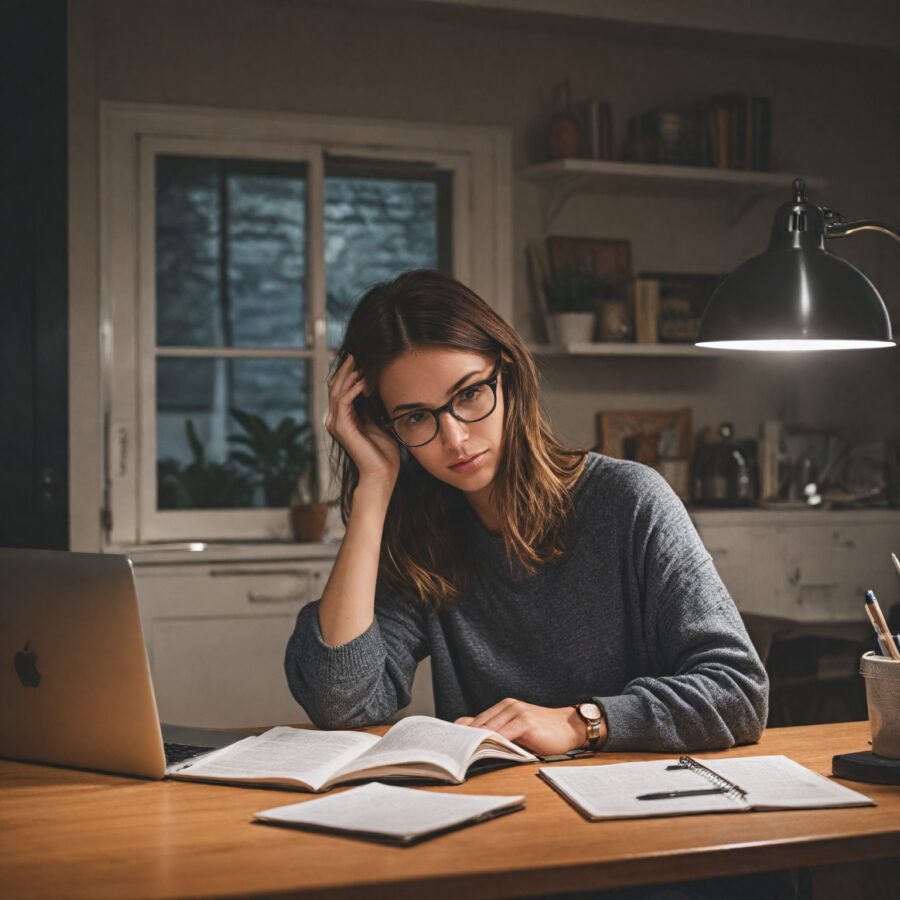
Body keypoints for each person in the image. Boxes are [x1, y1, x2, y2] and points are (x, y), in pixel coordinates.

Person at [284, 269, 768, 759]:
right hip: (496, 813)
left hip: (640, 804)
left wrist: (583, 722)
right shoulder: (420, 536)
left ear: (509, 376)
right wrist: (374, 486)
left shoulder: (630, 502)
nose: (454, 438)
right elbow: (340, 703)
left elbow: (740, 693)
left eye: (470, 394)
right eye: (415, 417)